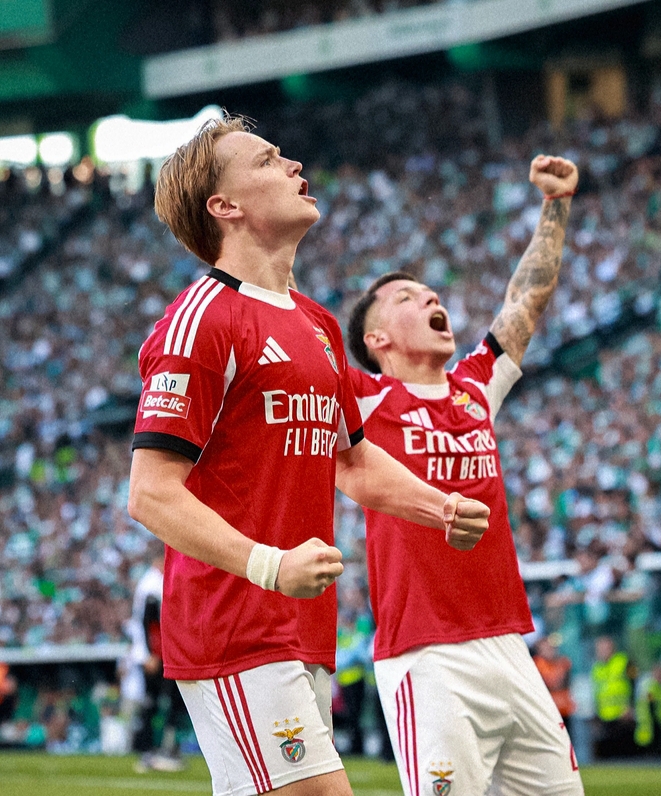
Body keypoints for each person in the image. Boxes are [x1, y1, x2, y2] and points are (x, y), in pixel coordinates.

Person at [127, 114, 490, 796]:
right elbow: (150, 492)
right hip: (235, 622)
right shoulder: (202, 317)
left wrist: (436, 504)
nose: (293, 165)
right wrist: (270, 565)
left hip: (301, 624)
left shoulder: (317, 323)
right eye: (267, 161)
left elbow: (350, 460)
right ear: (224, 206)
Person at [346, 154, 584, 795]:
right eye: (406, 297)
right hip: (427, 654)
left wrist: (555, 206)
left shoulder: (476, 386)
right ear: (377, 340)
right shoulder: (362, 399)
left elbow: (525, 300)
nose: (429, 297)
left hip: (509, 642)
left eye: (430, 292)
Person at [128, 552, 188, 772]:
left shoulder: (150, 582)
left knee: (157, 702)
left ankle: (158, 750)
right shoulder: (153, 585)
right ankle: (151, 751)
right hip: (156, 653)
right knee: (156, 702)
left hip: (154, 651)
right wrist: (152, 654)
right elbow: (149, 623)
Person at [590, 635, 637, 759]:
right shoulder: (596, 668)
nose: (602, 651)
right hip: (605, 716)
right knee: (608, 756)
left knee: (624, 754)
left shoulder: (623, 661)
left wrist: (631, 706)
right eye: (599, 648)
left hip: (623, 715)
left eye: (605, 648)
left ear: (612, 648)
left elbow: (634, 683)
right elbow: (597, 693)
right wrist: (596, 714)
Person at [532, 635, 576, 736]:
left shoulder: (563, 662)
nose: (550, 650)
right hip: (547, 712)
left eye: (551, 647)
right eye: (546, 648)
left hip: (564, 710)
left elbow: (565, 683)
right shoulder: (537, 665)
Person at [634, 661, 661, 756]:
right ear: (654, 674)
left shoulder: (659, 688)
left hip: (656, 731)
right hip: (651, 732)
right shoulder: (651, 689)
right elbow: (651, 708)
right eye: (660, 674)